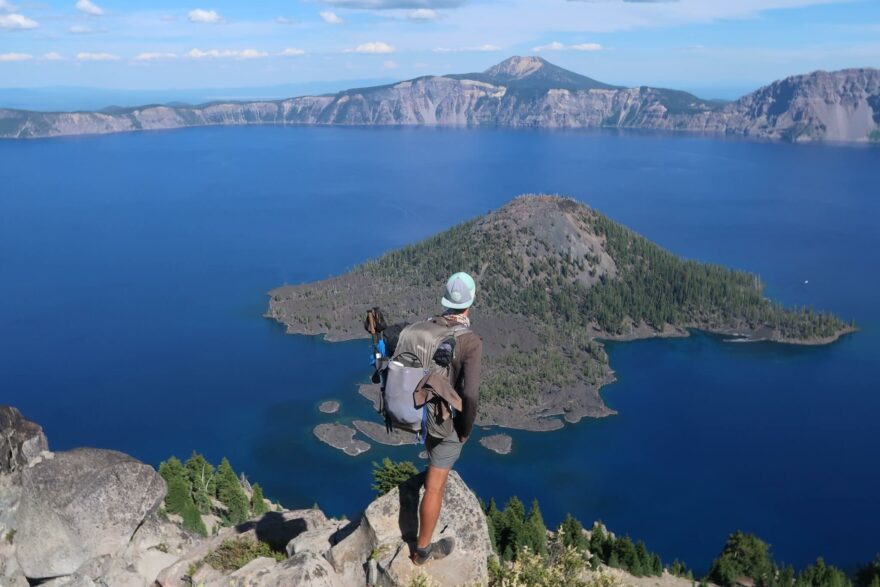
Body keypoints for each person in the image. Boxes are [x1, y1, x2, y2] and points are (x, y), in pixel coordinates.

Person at [410, 271, 483, 566]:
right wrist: (464, 431)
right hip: (443, 420)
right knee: (435, 486)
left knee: (432, 476)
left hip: (417, 410)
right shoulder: (471, 341)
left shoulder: (426, 327)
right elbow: (471, 395)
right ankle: (422, 552)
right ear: (470, 303)